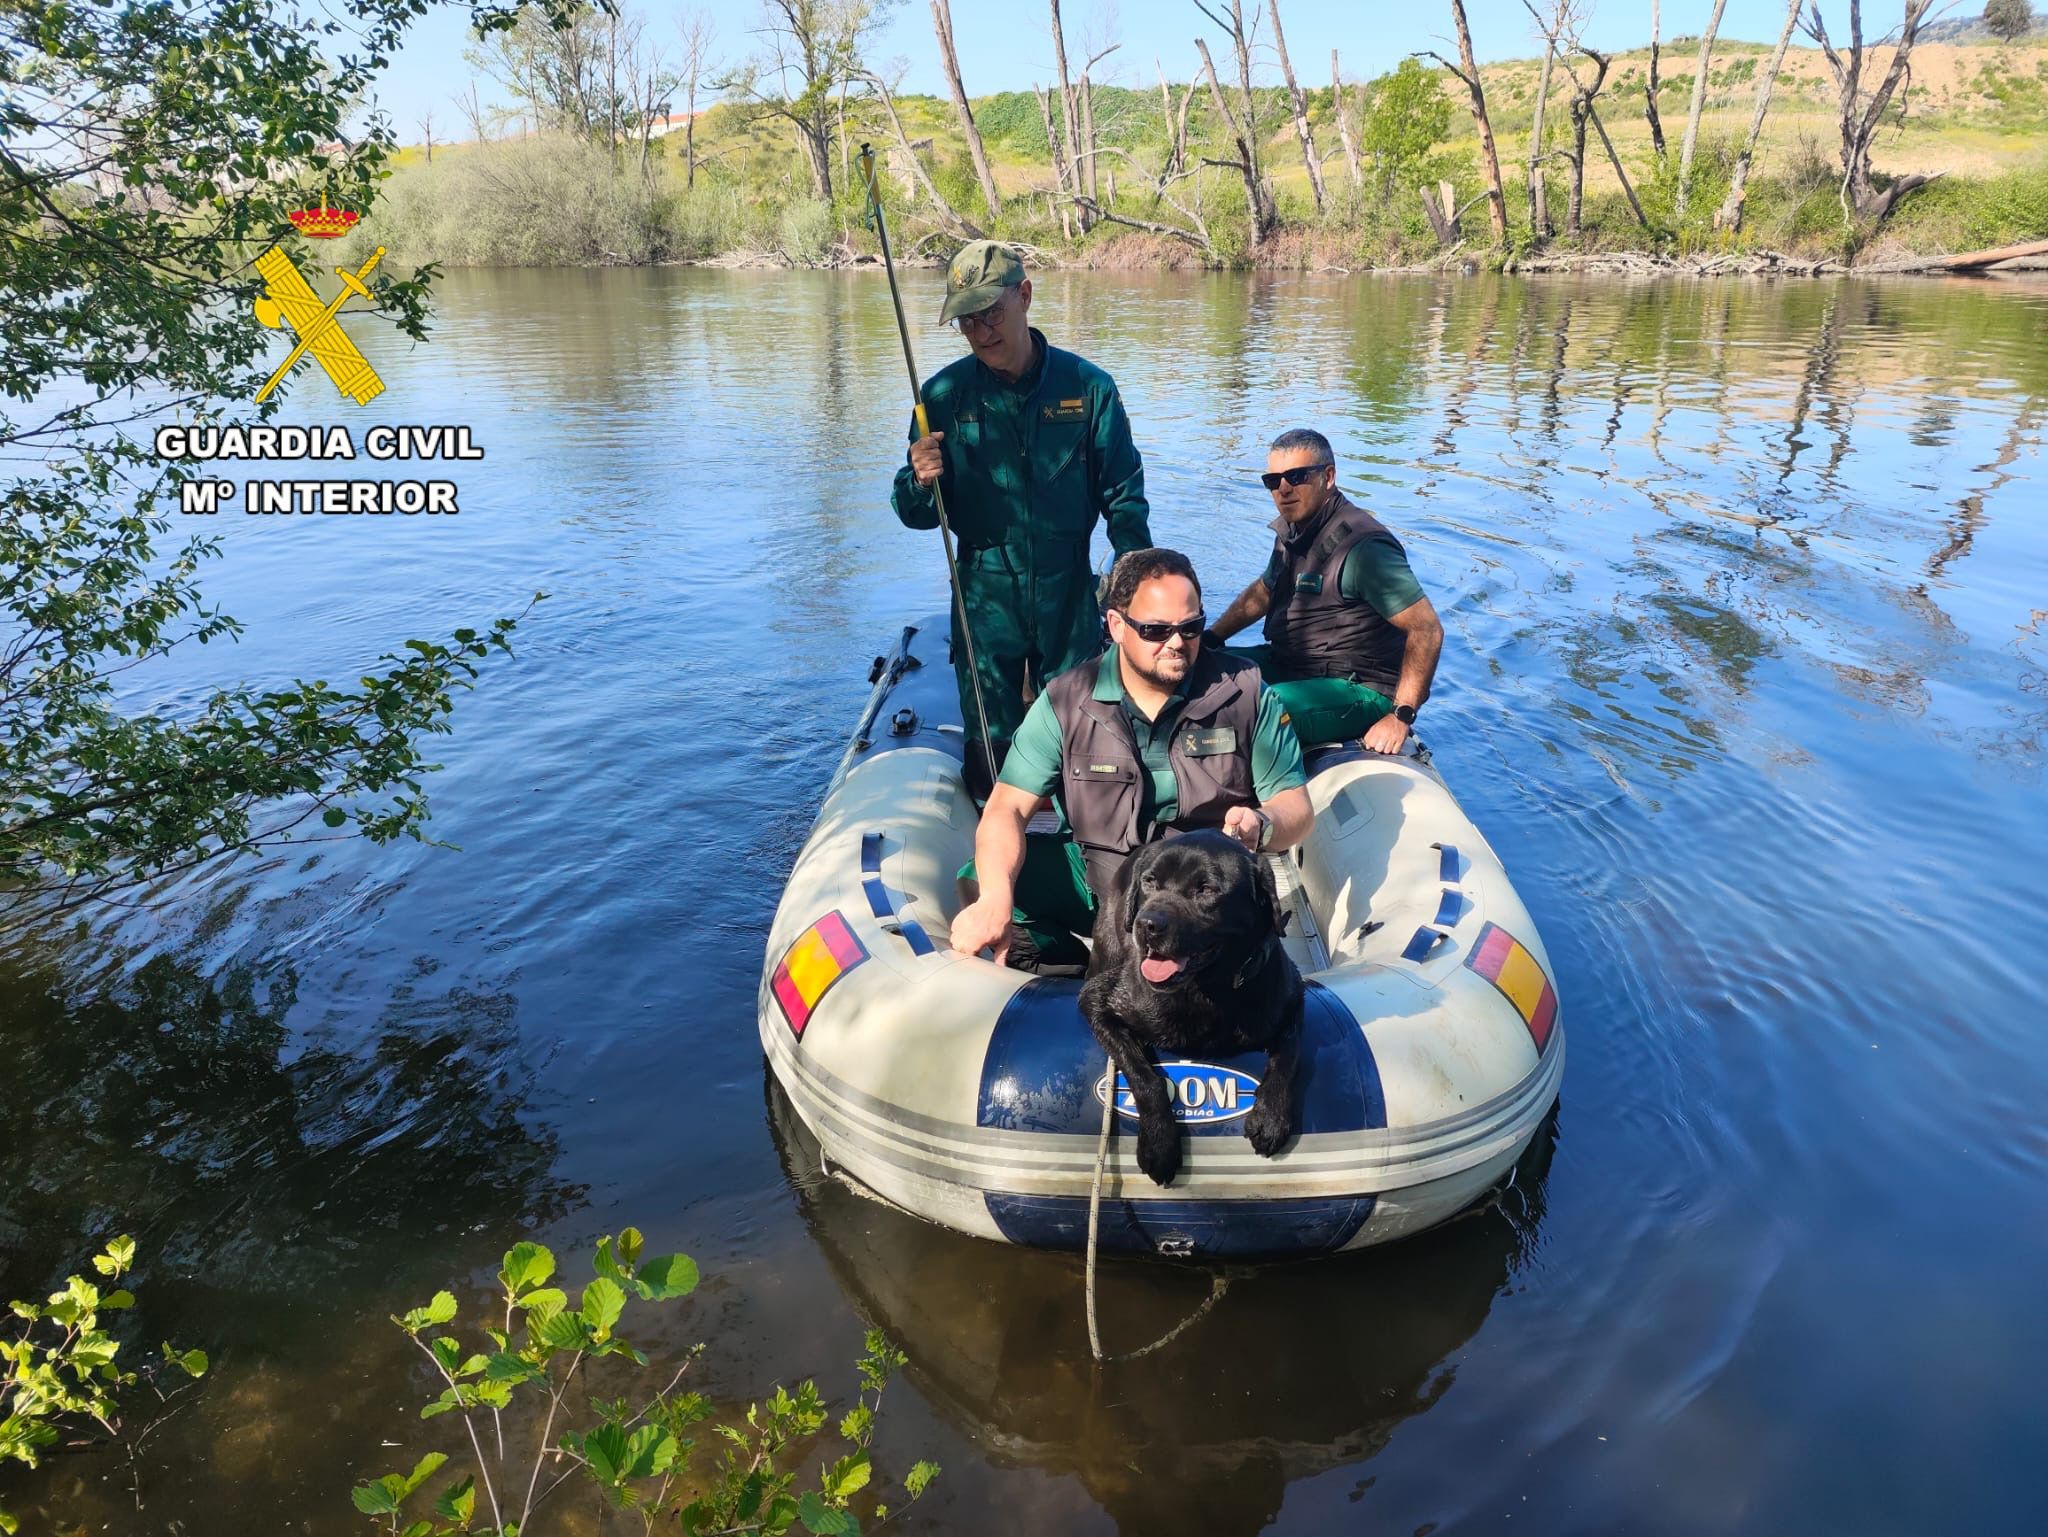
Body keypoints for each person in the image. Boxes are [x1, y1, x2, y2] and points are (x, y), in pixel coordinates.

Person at [950, 548, 1313, 970]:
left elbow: (1297, 809)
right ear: (1117, 626)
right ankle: (1063, 969)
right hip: (1105, 884)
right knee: (979, 877)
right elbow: (1007, 807)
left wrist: (1262, 823)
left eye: (1191, 627)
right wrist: (996, 899)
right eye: (1157, 630)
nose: (1177, 643)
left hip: (1205, 902)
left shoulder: (1249, 693)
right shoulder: (1065, 701)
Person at [891, 241, 1150, 792]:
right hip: (982, 598)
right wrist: (918, 480)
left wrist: (1133, 587)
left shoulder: (1089, 388)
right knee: (991, 753)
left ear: (1025, 295)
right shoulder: (941, 396)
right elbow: (915, 515)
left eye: (991, 312)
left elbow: (1124, 497)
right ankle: (990, 857)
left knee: (1083, 740)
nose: (981, 331)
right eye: (967, 320)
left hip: (1069, 594)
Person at [1207, 428, 1445, 754]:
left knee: (1258, 707)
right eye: (1273, 481)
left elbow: (1426, 628)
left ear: (1328, 477)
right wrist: (1209, 640)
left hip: (1358, 687)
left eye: (1296, 476)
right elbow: (1264, 591)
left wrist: (1401, 715)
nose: (1284, 489)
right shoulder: (1292, 531)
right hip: (1293, 664)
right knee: (1200, 668)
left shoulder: (1364, 547)